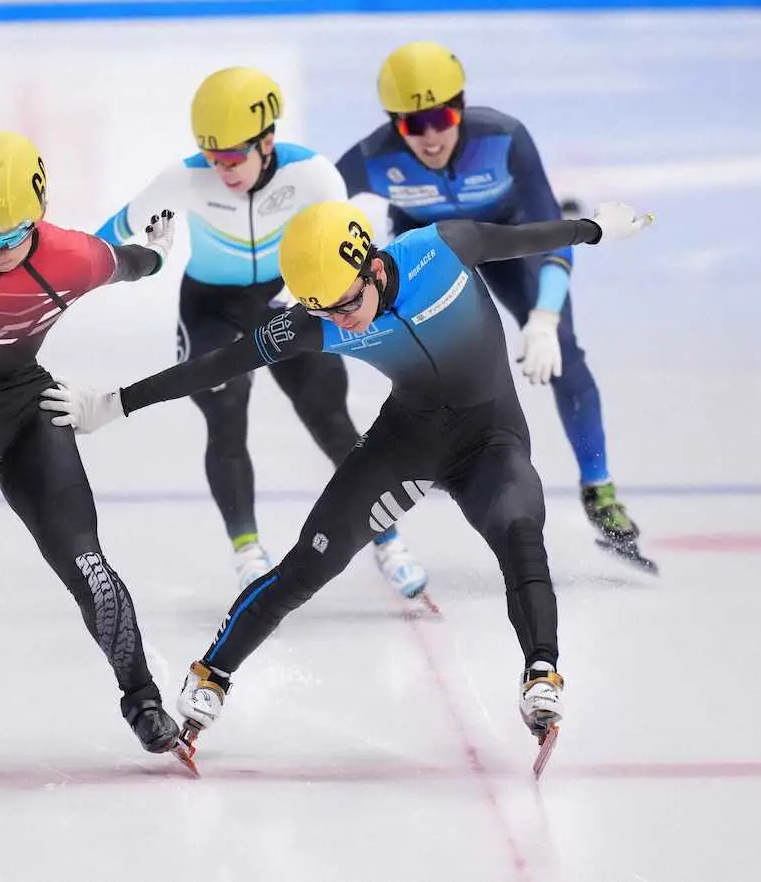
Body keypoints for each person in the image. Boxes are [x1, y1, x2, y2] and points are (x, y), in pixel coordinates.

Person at [39, 199, 654, 751]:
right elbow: (214, 365)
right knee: (309, 564)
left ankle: (541, 673)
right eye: (326, 311)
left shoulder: (439, 250)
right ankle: (213, 674)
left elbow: (521, 236)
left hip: (489, 441)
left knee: (521, 537)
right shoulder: (313, 320)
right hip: (406, 442)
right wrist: (115, 402)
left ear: (373, 267)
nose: (345, 321)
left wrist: (594, 228)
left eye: (348, 303)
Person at [0, 130, 182, 776]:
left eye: (6, 236)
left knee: (87, 564)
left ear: (39, 212)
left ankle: (142, 698)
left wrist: (158, 256)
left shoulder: (73, 258)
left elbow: (127, 264)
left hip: (27, 411)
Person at [94, 67, 428, 596]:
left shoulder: (314, 175)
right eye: (211, 156)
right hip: (211, 309)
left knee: (332, 421)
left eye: (232, 156)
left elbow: (351, 248)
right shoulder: (182, 179)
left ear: (267, 140)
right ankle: (247, 549)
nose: (221, 169)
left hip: (292, 299)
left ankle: (385, 537)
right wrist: (76, 277)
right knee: (225, 424)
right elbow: (105, 240)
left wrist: (308, 300)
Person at [336, 40, 653, 570]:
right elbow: (313, 200)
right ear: (394, 124)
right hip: (429, 255)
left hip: (509, 241)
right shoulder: (374, 157)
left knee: (565, 355)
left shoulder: (503, 139)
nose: (432, 135)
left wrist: (545, 319)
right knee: (428, 365)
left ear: (460, 106)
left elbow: (552, 238)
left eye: (442, 116)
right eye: (415, 125)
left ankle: (599, 489)